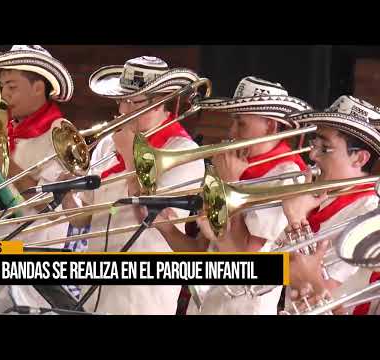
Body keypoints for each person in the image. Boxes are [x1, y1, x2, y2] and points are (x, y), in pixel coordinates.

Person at [153, 76, 314, 315]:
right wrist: (166, 228)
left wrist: (229, 184)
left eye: (241, 124)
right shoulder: (238, 165)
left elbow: (246, 259)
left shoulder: (287, 175)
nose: (231, 131)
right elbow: (201, 251)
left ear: (270, 127)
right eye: (233, 122)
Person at [62, 56, 205, 315]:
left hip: (142, 298)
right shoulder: (107, 143)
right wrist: (66, 191)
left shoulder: (183, 152)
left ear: (161, 103)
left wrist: (130, 158)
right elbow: (84, 219)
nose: (124, 110)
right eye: (121, 100)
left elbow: (147, 215)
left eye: (135, 102)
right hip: (92, 293)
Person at [0, 45, 84, 314]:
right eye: (2, 85)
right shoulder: (1, 129)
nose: (3, 94)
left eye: (11, 86)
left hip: (32, 268)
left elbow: (49, 205)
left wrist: (3, 165)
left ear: (38, 87)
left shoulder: (60, 134)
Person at [281, 95, 380, 315]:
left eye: (325, 148)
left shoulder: (370, 213)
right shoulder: (318, 199)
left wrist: (296, 220)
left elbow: (316, 289)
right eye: (314, 144)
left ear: (359, 159)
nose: (313, 155)